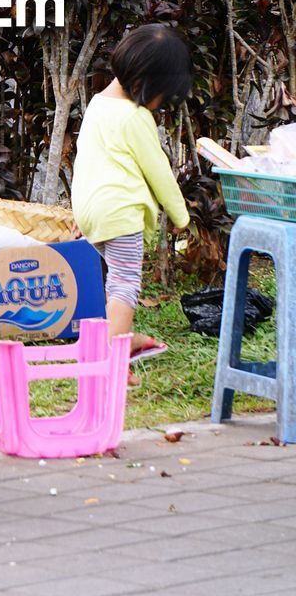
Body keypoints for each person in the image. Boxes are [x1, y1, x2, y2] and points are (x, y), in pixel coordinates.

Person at [71, 24, 192, 378]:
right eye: (162, 96)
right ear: (147, 84)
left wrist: (80, 210)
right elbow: (159, 172)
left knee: (113, 283)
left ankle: (126, 338)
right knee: (124, 285)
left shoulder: (97, 105)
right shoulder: (135, 117)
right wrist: (182, 216)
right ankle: (113, 365)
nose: (160, 105)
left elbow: (85, 160)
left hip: (92, 211)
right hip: (120, 213)